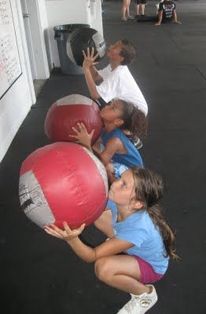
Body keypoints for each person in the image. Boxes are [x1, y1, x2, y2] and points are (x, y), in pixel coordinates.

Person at [44, 167, 178, 314]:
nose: (115, 184)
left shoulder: (138, 229)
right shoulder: (123, 203)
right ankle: (117, 244)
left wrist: (71, 239)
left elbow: (91, 256)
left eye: (123, 185)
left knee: (103, 268)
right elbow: (90, 199)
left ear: (137, 203)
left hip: (151, 267)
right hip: (131, 244)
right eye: (120, 178)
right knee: (99, 214)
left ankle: (144, 295)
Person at [70, 99, 147, 183]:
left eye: (112, 108)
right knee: (96, 150)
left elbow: (99, 165)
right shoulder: (105, 128)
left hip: (135, 176)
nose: (106, 106)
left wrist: (86, 144)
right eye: (110, 104)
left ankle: (113, 189)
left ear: (117, 121)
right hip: (120, 162)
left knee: (108, 167)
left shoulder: (115, 141)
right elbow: (96, 144)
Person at [82, 40, 148, 117]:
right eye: (113, 44)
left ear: (121, 58)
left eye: (115, 47)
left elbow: (95, 95)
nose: (110, 46)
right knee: (98, 103)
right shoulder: (114, 66)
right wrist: (89, 64)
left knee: (97, 105)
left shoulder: (118, 75)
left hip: (137, 113)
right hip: (125, 106)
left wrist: (86, 68)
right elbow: (96, 77)